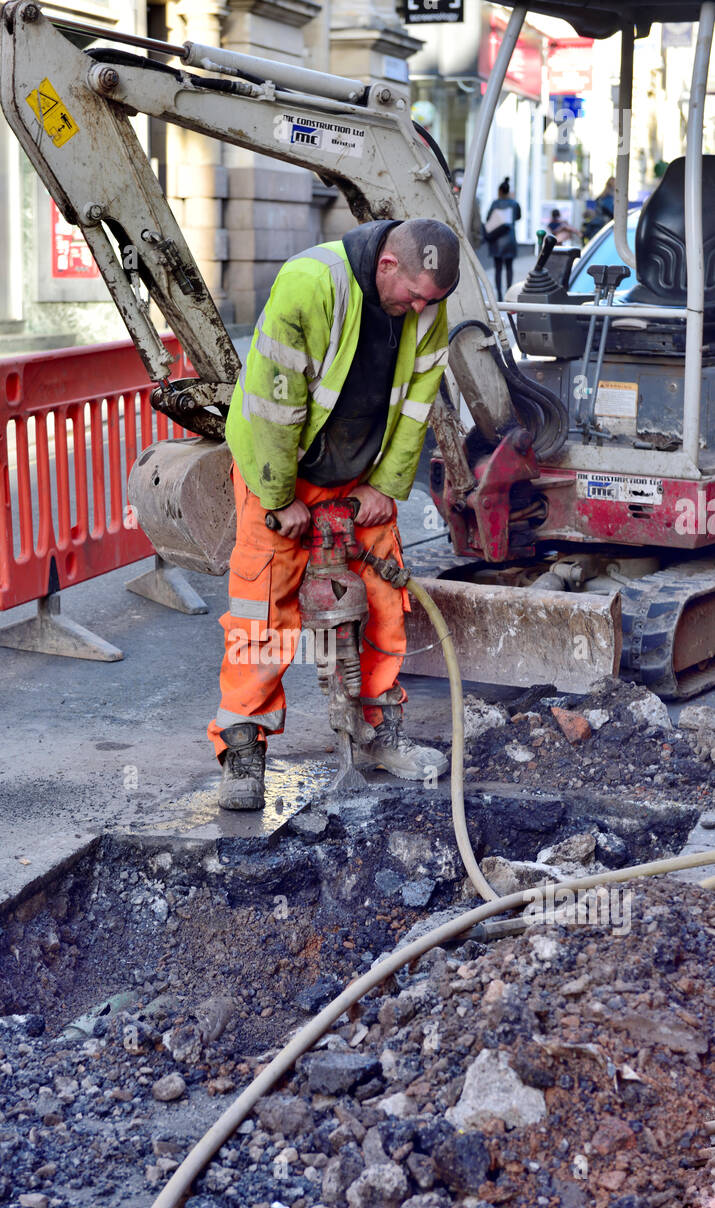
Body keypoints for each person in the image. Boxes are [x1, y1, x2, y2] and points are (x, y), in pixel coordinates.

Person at [208, 217, 460, 811]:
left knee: (382, 603)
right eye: (416, 296)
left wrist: (387, 487)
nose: (421, 309)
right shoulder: (310, 284)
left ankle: (377, 730)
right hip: (282, 467)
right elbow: (272, 402)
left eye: (433, 301)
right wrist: (278, 499)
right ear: (388, 266)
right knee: (260, 614)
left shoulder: (426, 305)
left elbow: (419, 404)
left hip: (358, 477)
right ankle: (243, 748)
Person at [484, 177, 522, 298]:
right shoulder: (514, 204)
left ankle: (499, 294)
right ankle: (509, 293)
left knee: (498, 268)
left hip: (496, 240)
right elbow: (518, 217)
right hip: (509, 238)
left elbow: (488, 219)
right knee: (509, 268)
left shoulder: (495, 204)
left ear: (500, 191)